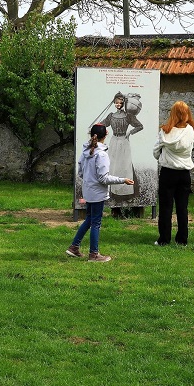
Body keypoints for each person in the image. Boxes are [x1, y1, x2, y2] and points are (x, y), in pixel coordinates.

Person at [66, 123, 134, 262]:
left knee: (89, 219)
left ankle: (74, 247)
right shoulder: (101, 154)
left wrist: (90, 180)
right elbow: (103, 178)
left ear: (92, 134)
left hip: (88, 191)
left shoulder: (85, 151)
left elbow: (81, 173)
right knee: (96, 223)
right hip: (97, 194)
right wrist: (122, 180)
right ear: (106, 135)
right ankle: (94, 254)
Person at [153, 100, 194, 246]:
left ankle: (164, 239)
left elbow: (155, 151)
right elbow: (192, 146)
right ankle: (182, 239)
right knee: (182, 207)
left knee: (165, 207)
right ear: (187, 114)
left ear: (172, 114)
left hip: (168, 172)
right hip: (184, 173)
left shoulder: (165, 131)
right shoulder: (191, 131)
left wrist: (163, 156)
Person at [102, 92, 143, 201]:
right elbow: (103, 123)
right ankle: (114, 193)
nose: (118, 104)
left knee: (125, 166)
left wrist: (130, 132)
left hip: (123, 142)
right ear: (114, 103)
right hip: (114, 142)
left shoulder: (128, 116)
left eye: (120, 103)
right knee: (113, 166)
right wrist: (96, 127)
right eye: (116, 102)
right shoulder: (111, 116)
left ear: (124, 103)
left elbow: (140, 126)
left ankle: (127, 194)